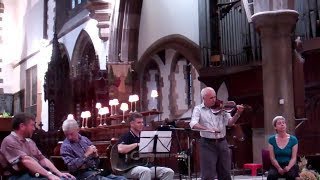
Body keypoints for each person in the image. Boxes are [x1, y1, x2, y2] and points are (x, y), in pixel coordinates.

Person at [0, 112, 75, 180]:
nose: (34, 128)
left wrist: (59, 173)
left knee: (67, 179)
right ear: (22, 126)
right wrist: (49, 175)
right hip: (15, 176)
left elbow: (42, 159)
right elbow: (26, 160)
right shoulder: (9, 140)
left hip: (32, 174)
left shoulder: (29, 142)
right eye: (32, 125)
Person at [189, 87, 244, 180]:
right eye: (211, 98)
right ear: (204, 98)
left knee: (225, 173)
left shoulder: (221, 108)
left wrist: (238, 113)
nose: (214, 100)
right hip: (207, 144)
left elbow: (230, 122)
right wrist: (208, 129)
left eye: (214, 97)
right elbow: (193, 124)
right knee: (208, 175)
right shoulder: (198, 109)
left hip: (222, 142)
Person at [60, 114, 126, 180]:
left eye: (71, 134)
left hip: (94, 171)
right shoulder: (65, 146)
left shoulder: (85, 139)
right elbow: (72, 168)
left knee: (122, 178)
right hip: (80, 174)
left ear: (77, 129)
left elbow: (96, 163)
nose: (69, 137)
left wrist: (96, 156)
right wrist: (86, 154)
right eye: (66, 135)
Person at [117, 112, 174, 180]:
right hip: (129, 168)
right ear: (131, 124)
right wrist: (136, 144)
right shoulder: (127, 136)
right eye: (139, 122)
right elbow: (120, 149)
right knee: (145, 171)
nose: (142, 124)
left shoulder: (145, 136)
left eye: (142, 122)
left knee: (168, 172)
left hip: (145, 166)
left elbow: (150, 158)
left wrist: (152, 154)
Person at [267, 116, 299, 180]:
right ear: (275, 127)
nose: (282, 124)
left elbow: (294, 158)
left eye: (283, 123)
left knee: (291, 175)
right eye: (279, 123)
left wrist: (288, 167)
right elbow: (272, 158)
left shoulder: (293, 139)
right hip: (276, 165)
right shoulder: (271, 140)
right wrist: (278, 168)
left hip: (290, 165)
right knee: (271, 175)